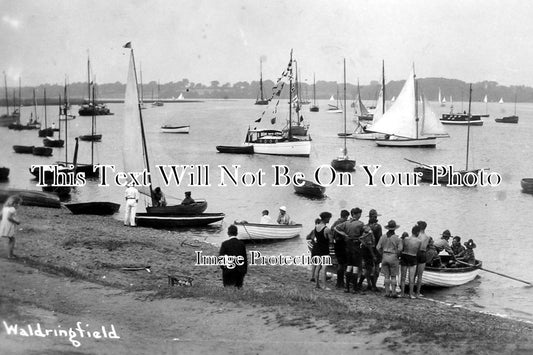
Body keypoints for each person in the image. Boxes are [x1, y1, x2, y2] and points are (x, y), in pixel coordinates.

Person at [334, 207, 364, 293]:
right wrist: (361, 238)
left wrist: (344, 234)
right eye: (359, 214)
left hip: (347, 246)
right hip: (356, 245)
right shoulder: (360, 223)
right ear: (356, 214)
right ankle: (354, 288)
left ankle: (347, 288)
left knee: (349, 266)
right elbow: (368, 232)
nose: (360, 215)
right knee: (355, 267)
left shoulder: (346, 223)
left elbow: (336, 228)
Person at [376, 220, 402, 298]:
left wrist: (382, 254)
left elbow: (378, 248)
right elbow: (400, 249)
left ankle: (387, 292)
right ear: (395, 229)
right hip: (393, 256)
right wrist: (397, 255)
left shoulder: (383, 237)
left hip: (384, 256)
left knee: (386, 276)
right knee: (393, 276)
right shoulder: (397, 239)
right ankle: (393, 292)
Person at [311, 212, 333, 290]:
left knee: (318, 267)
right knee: (324, 268)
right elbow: (331, 240)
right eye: (329, 218)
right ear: (326, 218)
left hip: (317, 248)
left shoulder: (316, 227)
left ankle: (317, 285)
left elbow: (314, 237)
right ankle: (324, 286)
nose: (329, 219)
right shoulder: (326, 229)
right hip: (324, 250)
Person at [400, 225, 422, 299]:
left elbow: (402, 248)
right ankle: (410, 294)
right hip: (413, 257)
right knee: (411, 278)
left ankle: (402, 293)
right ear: (417, 232)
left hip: (404, 256)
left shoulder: (406, 238)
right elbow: (418, 252)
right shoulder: (419, 241)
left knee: (403, 277)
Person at [331, 210, 350, 289]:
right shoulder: (344, 223)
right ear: (345, 216)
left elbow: (331, 230)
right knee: (343, 264)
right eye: (347, 217)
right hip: (342, 244)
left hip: (336, 244)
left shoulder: (336, 222)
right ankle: (341, 282)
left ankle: (339, 282)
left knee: (339, 263)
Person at [358, 225, 377, 292]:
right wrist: (373, 255)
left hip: (365, 252)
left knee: (368, 269)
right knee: (369, 269)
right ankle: (372, 286)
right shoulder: (368, 235)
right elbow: (369, 246)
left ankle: (371, 285)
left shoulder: (364, 235)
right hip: (368, 253)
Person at [415, 221, 430, 298]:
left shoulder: (417, 235)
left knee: (414, 274)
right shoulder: (427, 237)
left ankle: (412, 291)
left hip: (417, 253)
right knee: (420, 275)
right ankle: (418, 292)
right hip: (423, 254)